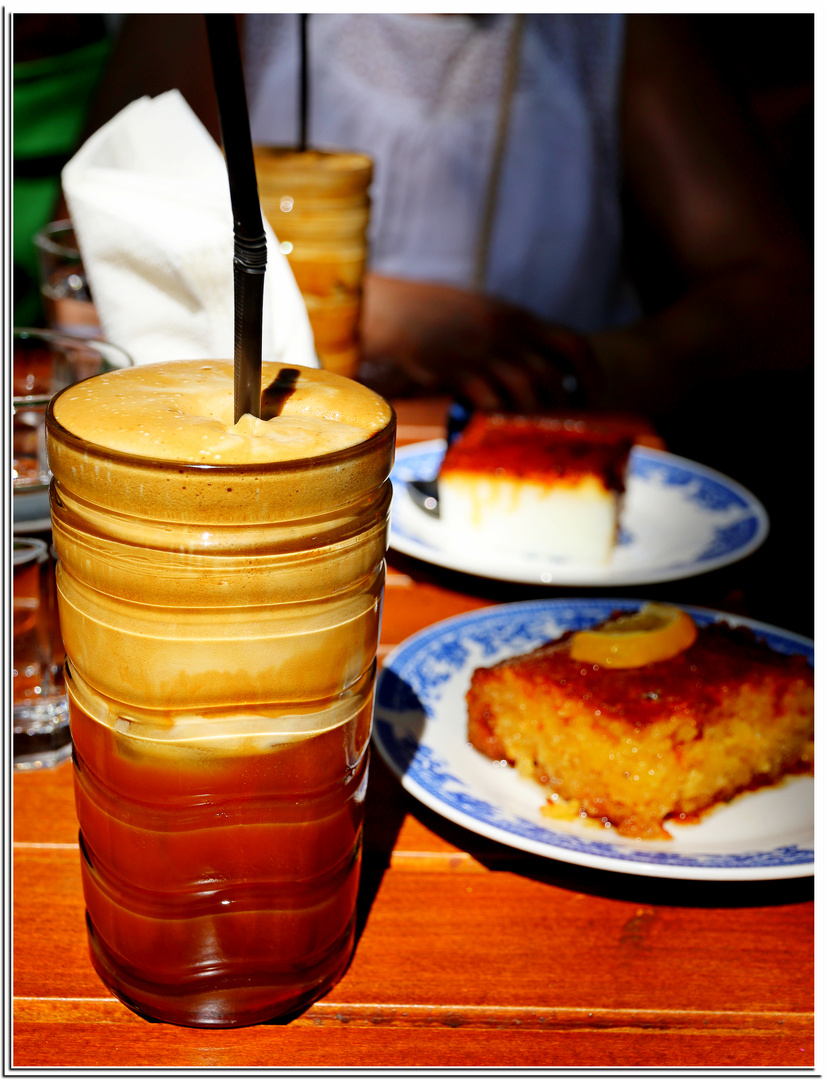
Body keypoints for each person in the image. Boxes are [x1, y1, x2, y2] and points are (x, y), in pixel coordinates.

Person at [78, 13, 812, 424]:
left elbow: (781, 289)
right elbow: (98, 239)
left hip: (542, 462)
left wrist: (609, 364)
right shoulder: (216, 20)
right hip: (287, 446)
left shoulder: (617, 26)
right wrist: (375, 313)